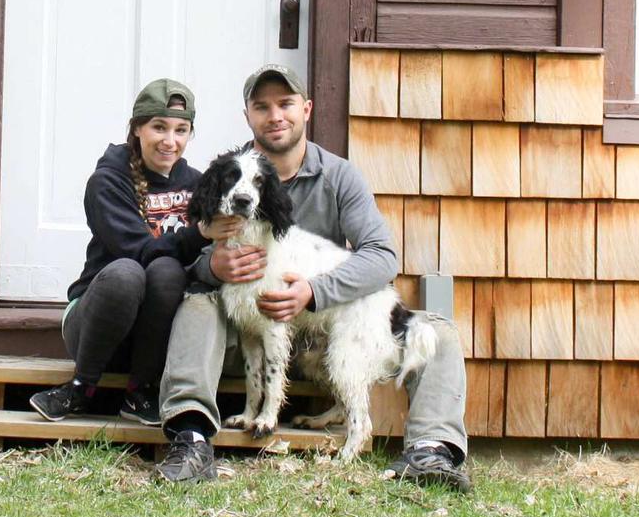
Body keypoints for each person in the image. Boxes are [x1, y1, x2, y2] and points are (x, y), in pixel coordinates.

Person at [155, 64, 472, 490]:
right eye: (262, 107)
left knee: (439, 331)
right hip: (242, 334)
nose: (275, 116)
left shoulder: (339, 176)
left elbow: (381, 258)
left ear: (306, 109)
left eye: (285, 104)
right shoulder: (224, 175)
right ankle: (190, 436)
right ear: (247, 116)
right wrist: (210, 266)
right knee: (196, 303)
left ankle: (431, 450)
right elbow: (183, 256)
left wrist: (313, 292)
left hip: (323, 331)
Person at [30, 78, 228, 427]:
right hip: (97, 327)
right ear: (137, 127)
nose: (171, 141)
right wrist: (197, 234)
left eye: (181, 130)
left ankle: (141, 391)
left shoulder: (198, 184)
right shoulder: (108, 181)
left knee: (169, 272)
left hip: (156, 340)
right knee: (126, 273)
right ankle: (81, 387)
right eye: (159, 127)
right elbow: (140, 251)